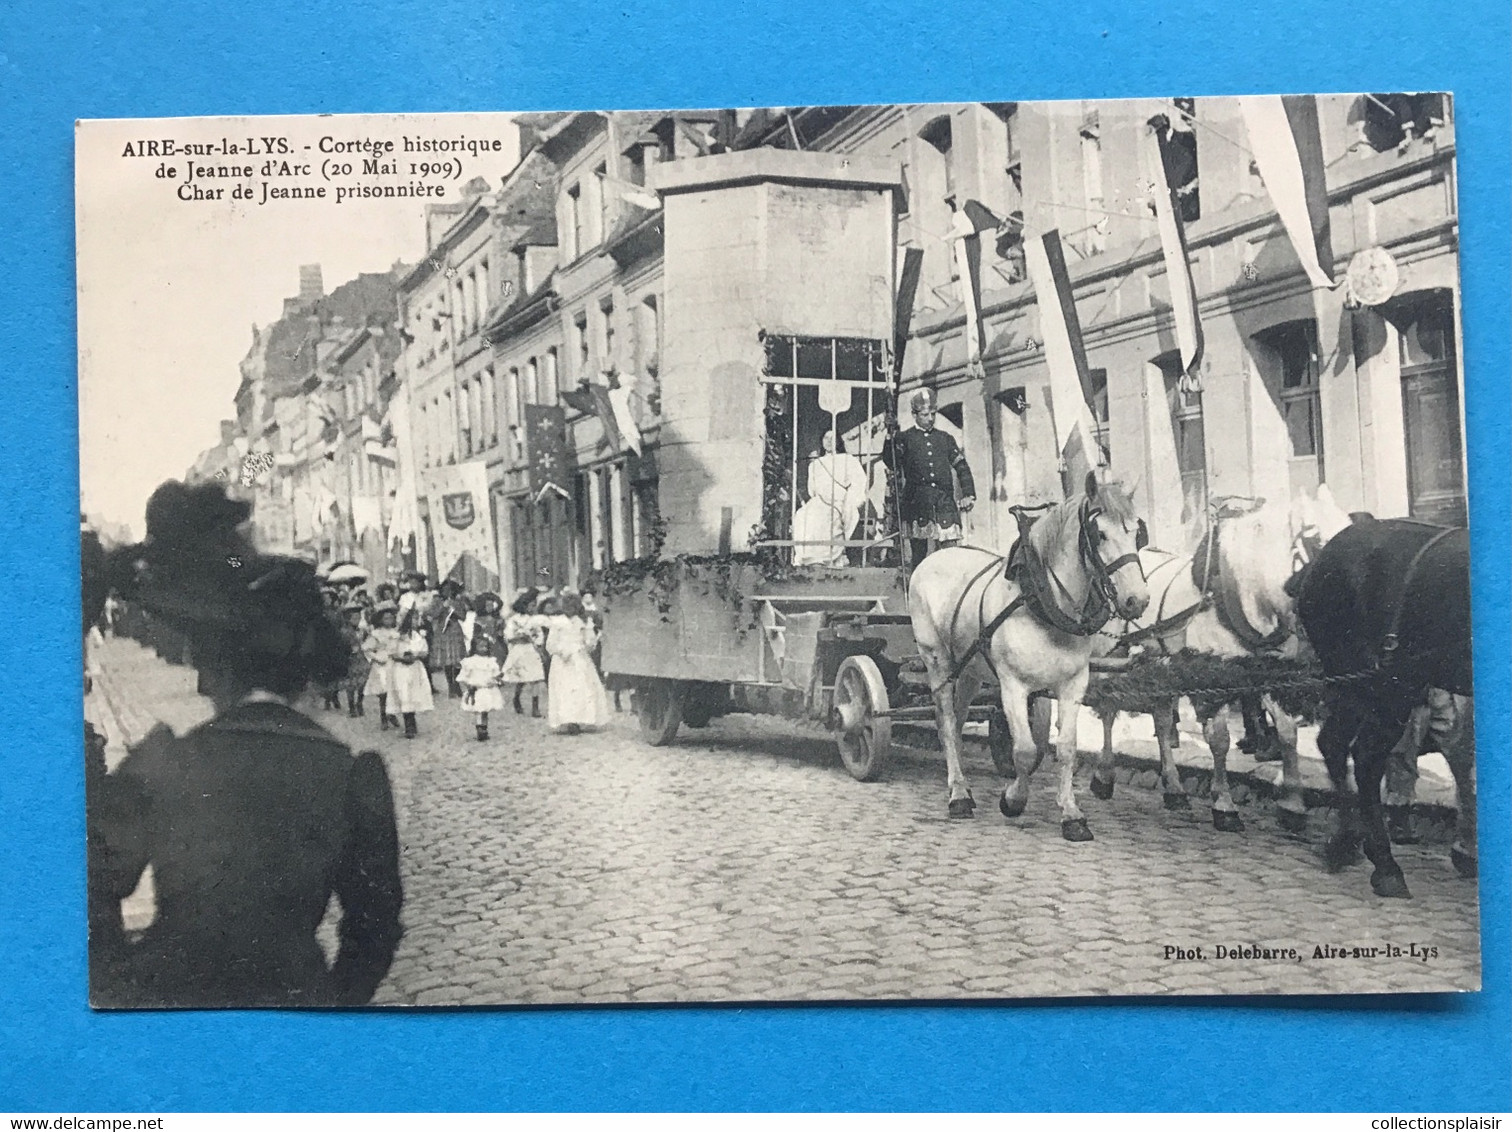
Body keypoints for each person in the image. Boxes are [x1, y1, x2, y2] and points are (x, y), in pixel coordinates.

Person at [91, 480, 402, 1008]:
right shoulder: (353, 776)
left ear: (209, 663)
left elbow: (77, 889)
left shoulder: (162, 762)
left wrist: (122, 985)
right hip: (294, 1001)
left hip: (167, 1012)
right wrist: (329, 1001)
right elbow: (373, 930)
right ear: (306, 670)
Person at [879, 386, 976, 570]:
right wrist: (889, 435)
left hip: (944, 503)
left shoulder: (945, 438)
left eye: (933, 414)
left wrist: (969, 493)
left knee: (950, 554)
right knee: (919, 558)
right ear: (915, 414)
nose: (930, 418)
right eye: (925, 414)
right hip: (917, 504)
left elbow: (961, 466)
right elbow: (891, 462)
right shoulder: (905, 438)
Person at [792, 429, 869, 567]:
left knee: (828, 516)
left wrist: (851, 501)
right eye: (826, 437)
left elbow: (859, 482)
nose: (828, 441)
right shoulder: (816, 464)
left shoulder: (847, 460)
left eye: (832, 438)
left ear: (838, 441)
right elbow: (812, 490)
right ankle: (808, 557)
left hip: (840, 500)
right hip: (820, 500)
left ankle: (828, 557)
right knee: (802, 515)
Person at [543, 592, 611, 735]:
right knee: (565, 689)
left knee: (582, 687)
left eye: (573, 607)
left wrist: (587, 643)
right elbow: (550, 644)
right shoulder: (557, 622)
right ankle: (569, 720)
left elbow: (590, 641)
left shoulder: (583, 621)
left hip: (579, 657)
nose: (570, 610)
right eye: (567, 606)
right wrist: (562, 651)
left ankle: (581, 718)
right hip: (563, 660)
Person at [500, 589, 546, 717]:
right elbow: (508, 636)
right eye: (531, 605)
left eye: (535, 606)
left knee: (535, 677)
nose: (533, 608)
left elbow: (539, 634)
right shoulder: (514, 620)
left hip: (531, 650)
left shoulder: (535, 620)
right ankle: (516, 698)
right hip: (519, 649)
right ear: (524, 605)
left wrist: (537, 642)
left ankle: (535, 707)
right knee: (521, 678)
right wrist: (519, 637)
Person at [390, 609, 434, 739]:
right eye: (414, 619)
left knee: (413, 694)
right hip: (401, 668)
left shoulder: (418, 636)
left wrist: (416, 655)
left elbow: (425, 651)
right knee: (404, 694)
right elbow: (392, 653)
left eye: (417, 619)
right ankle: (408, 724)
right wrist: (402, 657)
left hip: (415, 668)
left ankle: (412, 721)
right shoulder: (397, 636)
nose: (417, 622)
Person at [458, 634, 506, 741]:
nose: (483, 649)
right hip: (477, 689)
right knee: (479, 710)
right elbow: (464, 676)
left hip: (488, 689)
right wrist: (468, 685)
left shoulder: (490, 661)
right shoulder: (470, 661)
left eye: (485, 646)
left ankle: (484, 728)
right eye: (480, 646)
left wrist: (499, 678)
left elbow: (495, 674)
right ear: (474, 647)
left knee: (485, 710)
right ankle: (480, 729)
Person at [428, 579, 470, 698]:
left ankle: (456, 683)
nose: (448, 592)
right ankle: (450, 685)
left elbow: (463, 617)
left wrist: (454, 609)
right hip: (443, 631)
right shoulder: (437, 601)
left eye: (450, 590)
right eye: (445, 589)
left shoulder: (458, 601)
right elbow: (432, 614)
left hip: (455, 630)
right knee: (447, 659)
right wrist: (443, 607)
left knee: (457, 659)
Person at [363, 602, 400, 730]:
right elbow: (367, 649)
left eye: (391, 618)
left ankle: (392, 713)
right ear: (380, 620)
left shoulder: (396, 632)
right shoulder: (376, 634)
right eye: (386, 618)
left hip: (394, 662)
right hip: (382, 664)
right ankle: (383, 717)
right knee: (383, 691)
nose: (389, 621)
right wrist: (376, 657)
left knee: (394, 689)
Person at [339, 602, 371, 718]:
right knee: (351, 683)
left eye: (358, 617)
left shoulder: (363, 631)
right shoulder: (344, 632)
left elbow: (368, 641)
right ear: (348, 619)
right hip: (350, 659)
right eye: (354, 618)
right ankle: (351, 706)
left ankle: (360, 702)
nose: (357, 620)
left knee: (363, 681)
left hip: (361, 657)